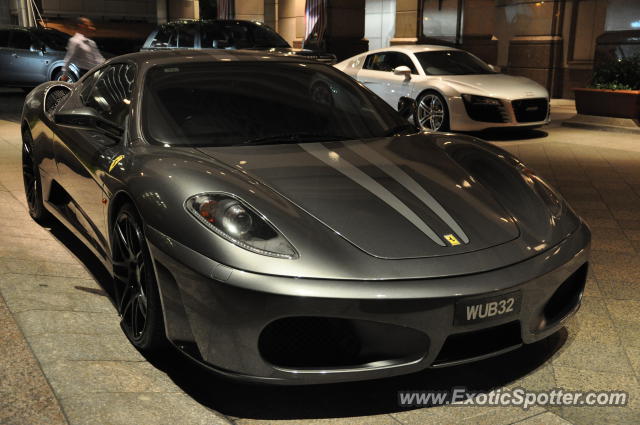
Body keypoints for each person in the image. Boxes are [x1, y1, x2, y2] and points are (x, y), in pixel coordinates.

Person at [61, 17, 105, 81]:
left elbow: (98, 58)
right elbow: (69, 58)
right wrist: (65, 74)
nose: (92, 28)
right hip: (85, 75)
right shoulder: (75, 41)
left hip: (97, 73)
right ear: (81, 26)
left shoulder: (91, 42)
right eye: (88, 25)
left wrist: (106, 64)